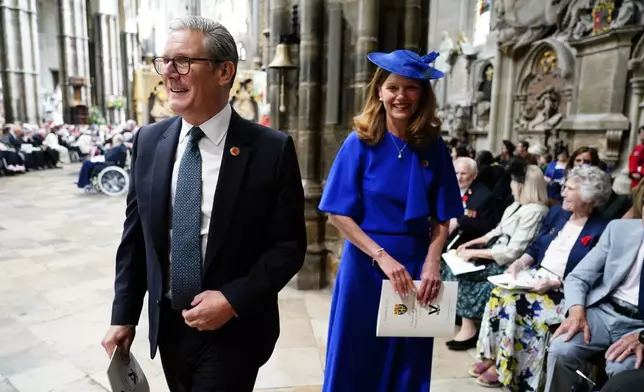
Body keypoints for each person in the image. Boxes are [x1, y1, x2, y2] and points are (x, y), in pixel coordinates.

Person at [100, 17, 306, 392]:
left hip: (235, 330)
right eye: (164, 62)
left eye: (183, 62)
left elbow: (289, 248)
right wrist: (124, 315)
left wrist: (232, 299)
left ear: (225, 71)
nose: (169, 74)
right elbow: (136, 240)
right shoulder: (148, 141)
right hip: (169, 327)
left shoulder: (271, 149)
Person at [318, 49, 462, 391]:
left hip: (415, 265)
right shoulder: (360, 142)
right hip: (367, 264)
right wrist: (382, 256)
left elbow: (443, 217)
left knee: (408, 358)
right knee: (357, 352)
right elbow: (338, 212)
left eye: (411, 88)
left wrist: (431, 263)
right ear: (379, 91)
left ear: (422, 95)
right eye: (393, 87)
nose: (401, 96)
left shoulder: (433, 146)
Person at [469, 166, 611, 390]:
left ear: (589, 195)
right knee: (498, 293)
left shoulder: (603, 229)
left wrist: (555, 283)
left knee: (516, 303)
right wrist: (519, 264)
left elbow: (598, 276)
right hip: (537, 276)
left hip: (565, 291)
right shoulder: (557, 214)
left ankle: (512, 371)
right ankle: (496, 357)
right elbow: (535, 247)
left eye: (570, 188)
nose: (562, 192)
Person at [444, 164, 549, 350]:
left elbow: (513, 251)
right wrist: (473, 243)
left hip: (510, 264)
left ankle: (469, 330)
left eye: (513, 182)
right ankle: (462, 319)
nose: (510, 186)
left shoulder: (536, 211)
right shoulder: (516, 205)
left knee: (462, 276)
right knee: (454, 264)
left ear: (523, 186)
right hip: (495, 252)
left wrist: (475, 253)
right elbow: (497, 231)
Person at [545, 207, 644, 392]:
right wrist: (576, 312)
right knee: (560, 350)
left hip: (640, 326)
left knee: (622, 369)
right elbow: (578, 277)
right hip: (605, 311)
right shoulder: (619, 230)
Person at [447, 157, 502, 249]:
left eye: (463, 174)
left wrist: (459, 221)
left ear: (474, 175)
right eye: (456, 173)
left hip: (463, 241)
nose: (458, 178)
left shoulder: (483, 195)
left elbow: (486, 225)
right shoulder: (446, 189)